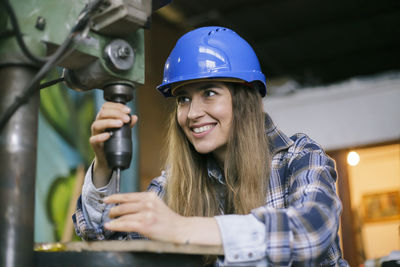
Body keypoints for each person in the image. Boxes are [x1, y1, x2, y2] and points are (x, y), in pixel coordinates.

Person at [73, 26, 349, 266]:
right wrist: (104, 167)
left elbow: (311, 232)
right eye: (183, 98)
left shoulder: (298, 158)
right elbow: (105, 238)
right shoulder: (176, 183)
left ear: (244, 100)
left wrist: (183, 228)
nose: (192, 113)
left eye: (209, 93)